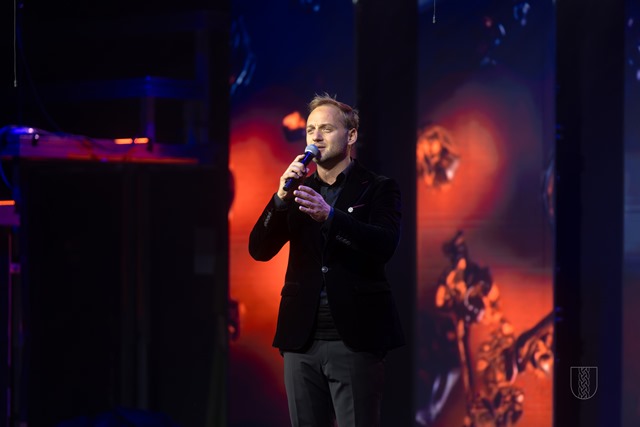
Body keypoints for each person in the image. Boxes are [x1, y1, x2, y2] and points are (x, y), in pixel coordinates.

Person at [248, 93, 405, 427]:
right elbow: (259, 249)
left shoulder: (378, 188)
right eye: (310, 130)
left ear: (351, 135)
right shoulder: (297, 191)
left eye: (326, 129)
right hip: (301, 338)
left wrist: (331, 217)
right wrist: (280, 198)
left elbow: (384, 244)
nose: (316, 137)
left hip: (355, 337)